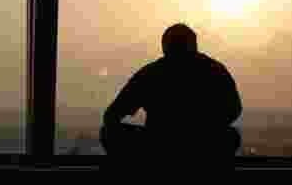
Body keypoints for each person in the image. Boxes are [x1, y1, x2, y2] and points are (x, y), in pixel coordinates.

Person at [99, 23, 242, 163]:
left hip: (156, 146)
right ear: (194, 46)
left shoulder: (151, 73)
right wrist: (204, 129)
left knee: (109, 133)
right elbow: (234, 109)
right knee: (230, 136)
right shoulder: (214, 70)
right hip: (202, 145)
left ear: (164, 47)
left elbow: (111, 116)